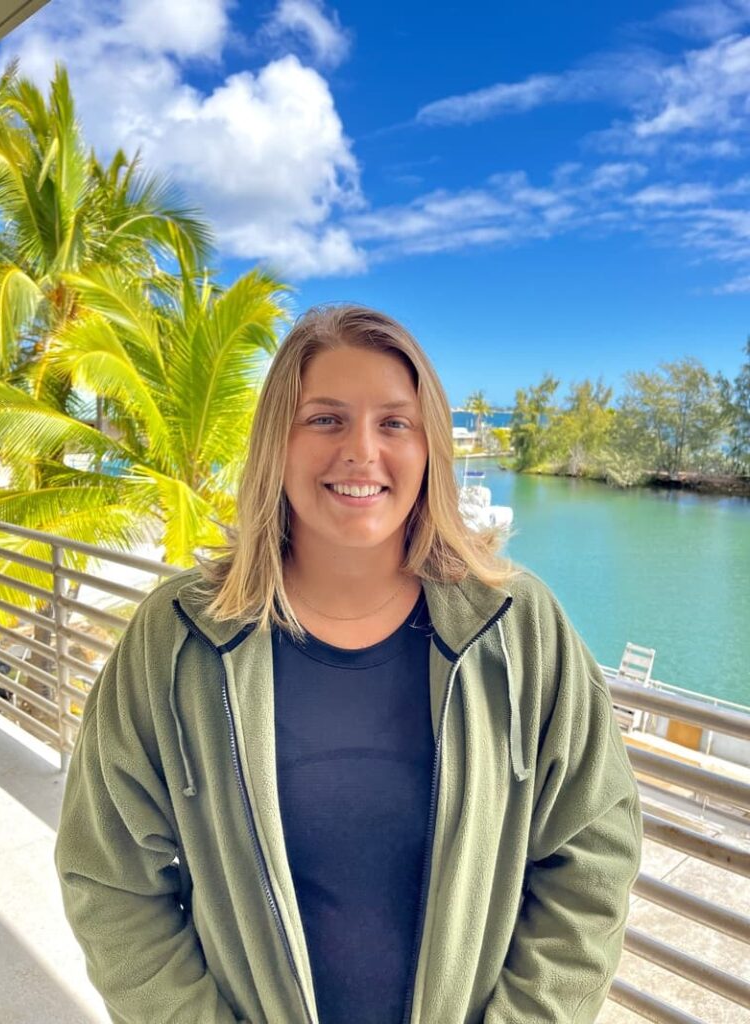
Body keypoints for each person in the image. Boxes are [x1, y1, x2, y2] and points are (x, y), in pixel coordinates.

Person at [55, 304, 643, 1024]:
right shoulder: (175, 639)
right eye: (326, 419)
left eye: (394, 422)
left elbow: (594, 851)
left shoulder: (518, 628)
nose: (362, 452)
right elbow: (108, 876)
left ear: (429, 446)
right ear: (278, 441)